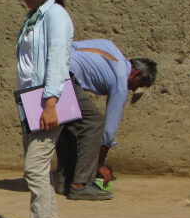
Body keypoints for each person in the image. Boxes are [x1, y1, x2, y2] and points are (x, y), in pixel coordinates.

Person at [6, 0, 74, 218]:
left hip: (47, 101)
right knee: (40, 168)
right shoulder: (36, 16)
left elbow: (58, 59)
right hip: (31, 100)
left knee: (34, 168)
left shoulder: (55, 16)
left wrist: (50, 103)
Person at [54, 39, 158, 200]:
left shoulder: (110, 47)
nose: (135, 89)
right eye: (139, 84)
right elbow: (108, 132)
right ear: (136, 73)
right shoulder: (121, 82)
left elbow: (74, 46)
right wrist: (100, 164)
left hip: (52, 68)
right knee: (95, 123)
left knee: (69, 123)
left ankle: (64, 181)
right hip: (65, 75)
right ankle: (81, 185)